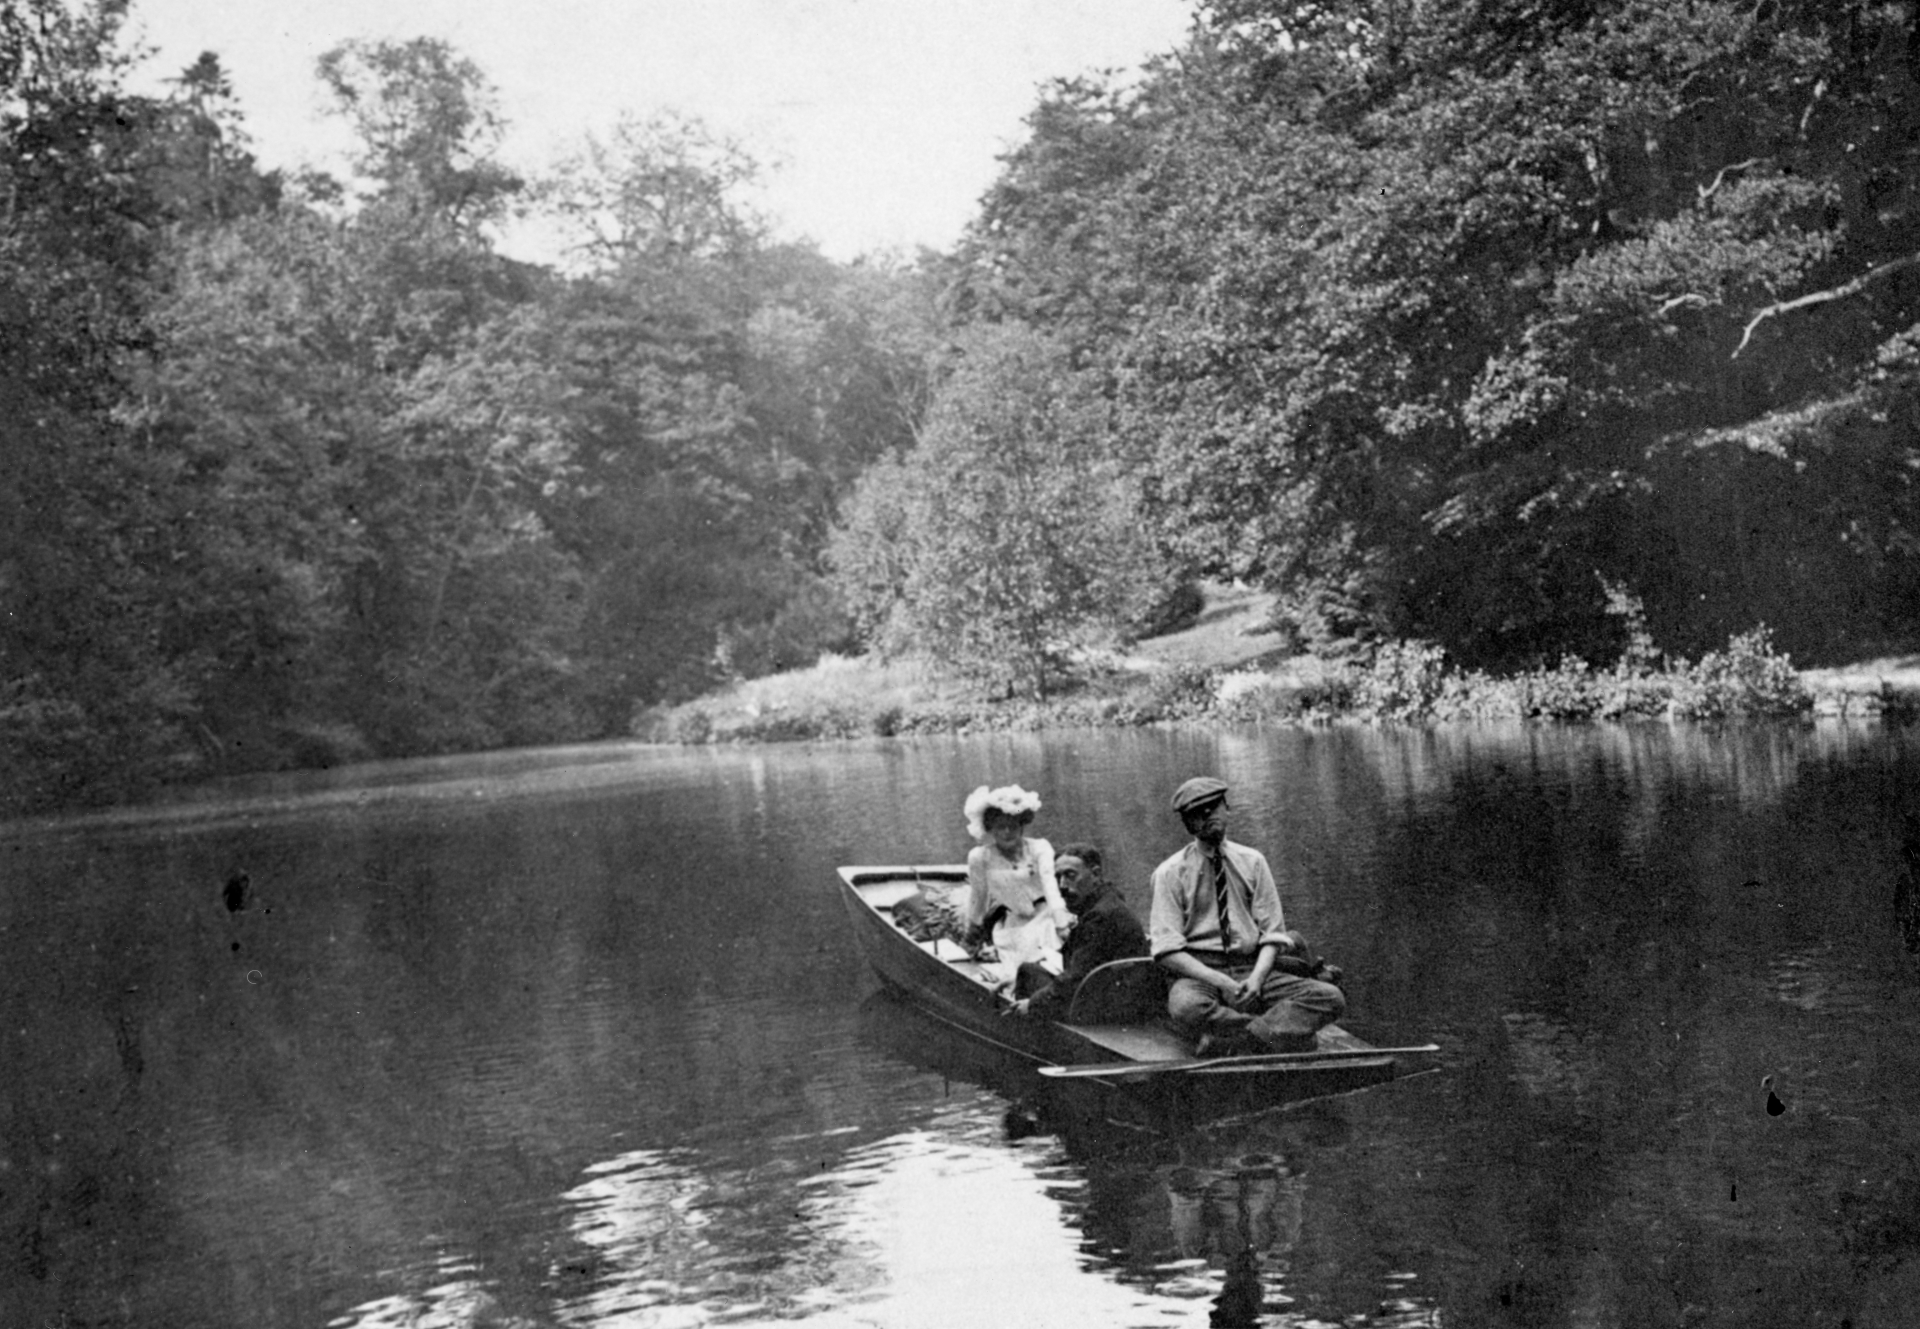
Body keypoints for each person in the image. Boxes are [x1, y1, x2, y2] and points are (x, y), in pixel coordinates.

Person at [1149, 776, 1345, 1055]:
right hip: (1200, 973)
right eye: (1197, 812)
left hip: (1251, 967)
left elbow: (1273, 934)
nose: (1208, 814)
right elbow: (1166, 950)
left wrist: (1256, 980)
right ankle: (1277, 1034)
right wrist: (1223, 982)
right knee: (1186, 1007)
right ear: (1187, 823)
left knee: (1330, 997)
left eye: (1214, 806)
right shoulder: (1169, 873)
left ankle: (1235, 1040)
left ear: (1227, 809)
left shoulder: (1253, 862)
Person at [1010, 843, 1149, 1020]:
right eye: (1058, 877)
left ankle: (1026, 1031)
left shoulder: (1100, 915)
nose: (1062, 885)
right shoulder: (1107, 901)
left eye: (1070, 875)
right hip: (1113, 992)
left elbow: (1075, 978)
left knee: (1028, 974)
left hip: (1114, 1006)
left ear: (1095, 874)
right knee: (1032, 970)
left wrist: (1032, 1004)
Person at [963, 783, 1072, 979]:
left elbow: (1051, 888)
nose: (1007, 832)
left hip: (1046, 917)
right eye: (1000, 827)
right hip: (1014, 924)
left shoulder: (1040, 848)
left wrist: (1061, 923)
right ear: (991, 829)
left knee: (1053, 961)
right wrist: (972, 931)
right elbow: (979, 897)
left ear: (1022, 827)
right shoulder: (980, 857)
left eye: (1013, 826)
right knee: (1018, 971)